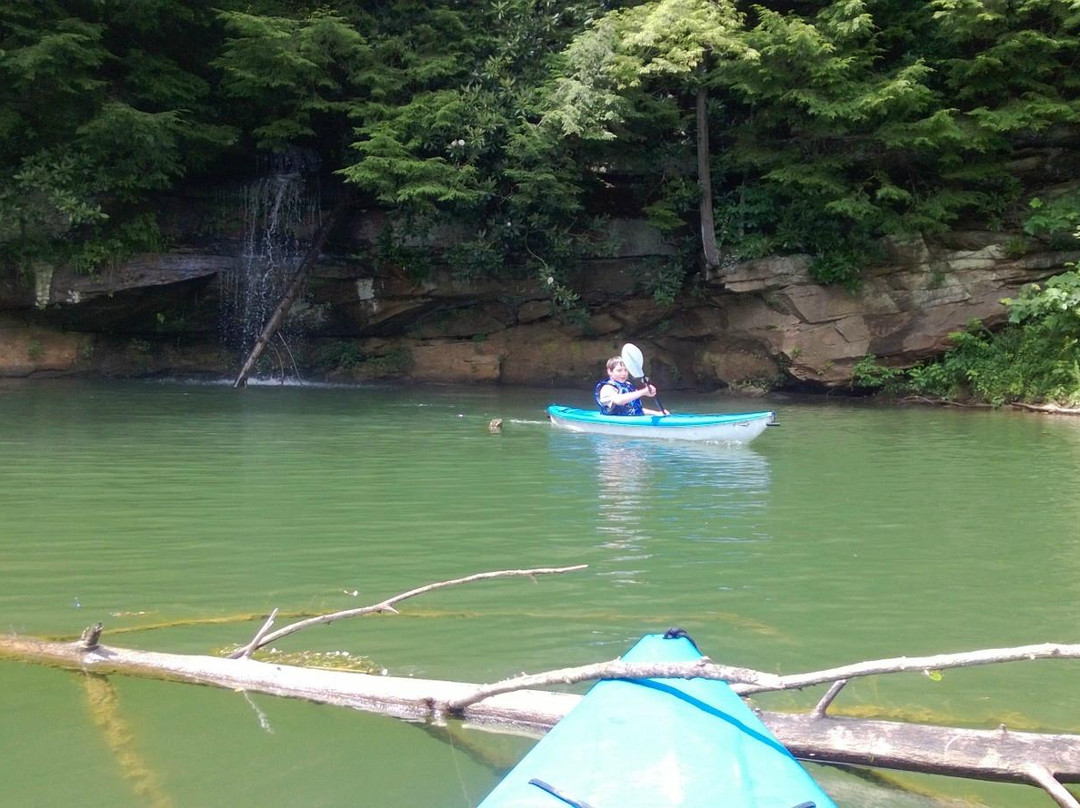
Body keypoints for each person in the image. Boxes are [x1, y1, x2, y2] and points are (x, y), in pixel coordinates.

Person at [594, 356, 669, 415]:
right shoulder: (607, 388)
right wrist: (643, 392)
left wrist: (657, 413)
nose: (623, 374)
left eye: (626, 370)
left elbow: (635, 409)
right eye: (619, 370)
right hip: (615, 421)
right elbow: (618, 400)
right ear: (610, 371)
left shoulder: (628, 386)